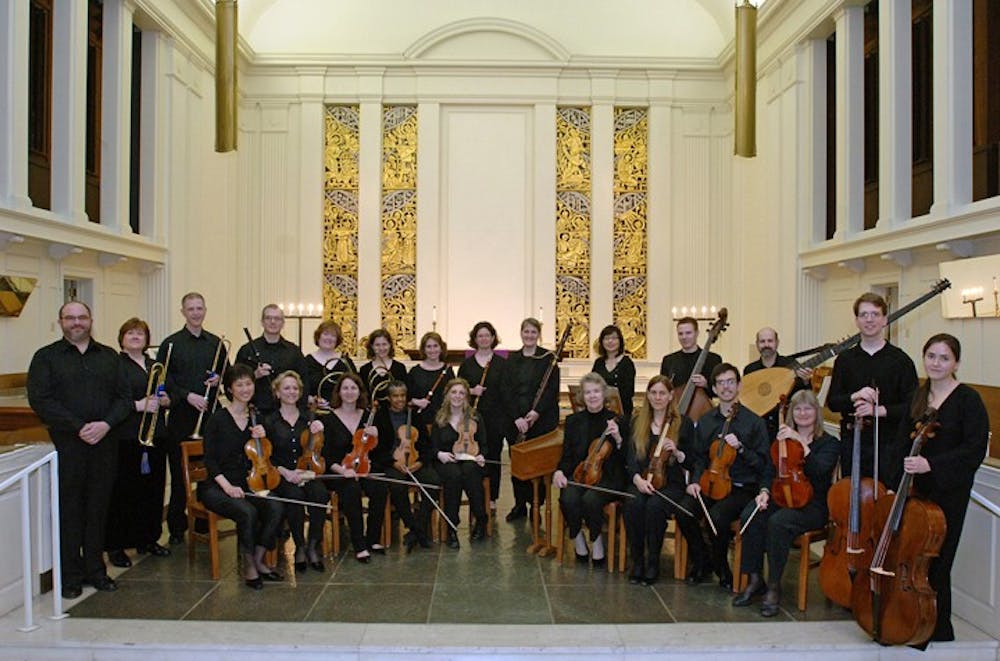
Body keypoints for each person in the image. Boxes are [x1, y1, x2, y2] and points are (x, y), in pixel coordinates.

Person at [27, 301, 131, 598]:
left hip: (104, 443)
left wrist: (105, 425)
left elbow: (124, 398)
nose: (76, 322)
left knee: (99, 509)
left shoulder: (110, 357)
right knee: (69, 510)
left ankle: (95, 571)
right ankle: (70, 577)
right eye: (70, 318)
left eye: (81, 317)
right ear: (60, 322)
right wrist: (79, 427)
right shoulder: (46, 358)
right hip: (67, 445)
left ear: (91, 321)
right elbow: (41, 399)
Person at [894, 334, 989, 642]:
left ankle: (936, 628)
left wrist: (931, 465)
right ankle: (910, 620)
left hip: (948, 493)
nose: (936, 363)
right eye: (931, 356)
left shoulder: (968, 400)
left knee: (937, 560)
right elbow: (900, 442)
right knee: (911, 556)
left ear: (956, 363)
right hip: (913, 491)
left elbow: (973, 450)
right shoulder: (918, 396)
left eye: (944, 358)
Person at [731, 389, 838, 615]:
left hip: (812, 505)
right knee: (751, 513)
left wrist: (800, 441)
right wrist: (764, 492)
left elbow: (819, 471)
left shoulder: (829, 443)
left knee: (778, 522)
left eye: (808, 408)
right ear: (791, 413)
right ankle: (754, 578)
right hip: (782, 496)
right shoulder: (781, 440)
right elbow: (770, 471)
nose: (802, 413)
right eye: (797, 408)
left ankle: (774, 586)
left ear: (816, 412)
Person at [198, 364, 284, 589]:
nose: (245, 389)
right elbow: (210, 461)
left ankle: (259, 557)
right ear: (229, 389)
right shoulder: (217, 419)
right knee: (247, 511)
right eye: (239, 385)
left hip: (248, 483)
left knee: (275, 506)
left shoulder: (257, 418)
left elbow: (264, 456)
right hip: (217, 486)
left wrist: (265, 437)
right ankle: (249, 567)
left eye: (249, 384)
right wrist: (227, 487)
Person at [687, 363, 772, 589]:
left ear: (739, 385)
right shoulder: (706, 421)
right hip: (710, 481)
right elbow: (699, 458)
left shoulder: (754, 422)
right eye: (721, 383)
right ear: (714, 388)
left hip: (741, 487)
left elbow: (763, 464)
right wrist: (695, 481)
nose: (726, 387)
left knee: (717, 517)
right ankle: (703, 560)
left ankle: (721, 567)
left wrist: (742, 448)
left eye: (730, 382)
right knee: (684, 509)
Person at [157, 292, 229, 545]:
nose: (196, 313)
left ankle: (202, 523)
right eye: (191, 309)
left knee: (208, 471)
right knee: (179, 475)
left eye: (200, 308)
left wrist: (219, 380)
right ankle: (177, 528)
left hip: (209, 417)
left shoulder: (216, 344)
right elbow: (163, 381)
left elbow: (227, 375)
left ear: (205, 310)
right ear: (183, 312)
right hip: (181, 415)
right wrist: (187, 396)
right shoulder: (171, 344)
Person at [827, 293, 918, 486]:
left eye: (875, 314)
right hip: (854, 442)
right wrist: (854, 396)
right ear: (857, 321)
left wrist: (880, 411)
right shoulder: (844, 360)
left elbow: (913, 406)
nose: (869, 320)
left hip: (888, 445)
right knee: (852, 497)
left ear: (885, 319)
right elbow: (833, 403)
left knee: (884, 500)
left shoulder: (901, 360)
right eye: (864, 315)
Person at [623, 375, 705, 585]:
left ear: (670, 396)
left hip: (671, 484)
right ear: (648, 396)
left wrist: (677, 453)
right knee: (633, 503)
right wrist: (637, 480)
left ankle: (653, 563)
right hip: (641, 480)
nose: (658, 397)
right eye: (653, 393)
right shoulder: (637, 422)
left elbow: (693, 460)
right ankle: (638, 561)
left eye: (662, 393)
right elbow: (631, 459)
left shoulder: (683, 423)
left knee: (655, 506)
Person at [106, 318, 172, 569]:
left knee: (152, 490)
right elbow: (109, 400)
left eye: (140, 333)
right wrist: (137, 405)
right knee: (124, 492)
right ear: (122, 337)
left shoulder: (155, 365)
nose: (135, 337)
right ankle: (117, 545)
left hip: (156, 436)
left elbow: (170, 393)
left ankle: (148, 538)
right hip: (127, 436)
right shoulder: (114, 365)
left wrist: (166, 400)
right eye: (130, 333)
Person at [552, 373, 627, 566]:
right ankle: (578, 538)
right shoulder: (573, 421)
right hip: (581, 473)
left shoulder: (617, 421)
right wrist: (559, 471)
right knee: (567, 497)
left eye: (596, 391)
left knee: (590, 499)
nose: (592, 396)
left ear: (603, 393)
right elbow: (567, 454)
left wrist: (618, 439)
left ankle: (597, 540)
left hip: (609, 476)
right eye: (587, 392)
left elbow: (626, 458)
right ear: (581, 396)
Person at [263, 371, 329, 573]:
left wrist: (319, 430)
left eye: (295, 388)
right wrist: (286, 472)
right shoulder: (270, 421)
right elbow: (268, 456)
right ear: (277, 392)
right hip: (281, 474)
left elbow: (317, 448)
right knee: (295, 496)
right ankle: (299, 546)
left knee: (320, 494)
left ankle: (312, 546)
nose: (291, 392)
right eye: (286, 388)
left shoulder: (308, 419)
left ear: (300, 392)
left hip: (306, 471)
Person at [320, 372, 387, 562]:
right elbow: (326, 454)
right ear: (339, 392)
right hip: (339, 471)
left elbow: (379, 450)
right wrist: (343, 471)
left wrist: (377, 435)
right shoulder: (329, 419)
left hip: (365, 467)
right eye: (345, 388)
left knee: (379, 487)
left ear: (360, 392)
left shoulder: (368, 416)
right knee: (351, 489)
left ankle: (372, 538)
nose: (349, 392)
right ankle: (359, 544)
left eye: (353, 388)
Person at [504, 317, 560, 522]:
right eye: (526, 332)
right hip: (516, 421)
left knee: (538, 464)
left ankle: (537, 504)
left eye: (533, 332)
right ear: (521, 333)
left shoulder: (548, 359)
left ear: (538, 335)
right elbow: (506, 390)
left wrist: (536, 413)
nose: (529, 336)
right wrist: (516, 417)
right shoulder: (511, 359)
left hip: (540, 420)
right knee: (518, 464)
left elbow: (551, 389)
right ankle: (520, 504)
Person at [375, 380, 440, 552]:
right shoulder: (380, 417)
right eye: (395, 396)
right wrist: (393, 463)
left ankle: (418, 526)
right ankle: (416, 529)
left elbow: (427, 445)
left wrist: (419, 463)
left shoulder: (415, 415)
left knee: (433, 482)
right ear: (389, 398)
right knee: (398, 485)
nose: (399, 399)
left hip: (415, 461)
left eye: (402, 395)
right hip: (392, 463)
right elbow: (377, 449)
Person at [432, 378, 488, 549]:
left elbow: (484, 444)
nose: (457, 396)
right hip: (447, 461)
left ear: (466, 397)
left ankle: (480, 518)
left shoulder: (475, 417)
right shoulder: (440, 418)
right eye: (454, 392)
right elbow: (432, 446)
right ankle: (451, 525)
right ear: (447, 394)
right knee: (454, 475)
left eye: (461, 393)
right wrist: (439, 454)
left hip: (470, 459)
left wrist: (482, 456)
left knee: (470, 470)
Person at [457, 321, 507, 505]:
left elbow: (507, 392)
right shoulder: (467, 365)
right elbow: (457, 389)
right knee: (473, 455)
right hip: (473, 418)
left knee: (493, 456)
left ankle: (492, 498)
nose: (484, 339)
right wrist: (471, 391)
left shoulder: (502, 364)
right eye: (480, 336)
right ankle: (476, 495)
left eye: (487, 335)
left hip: (496, 418)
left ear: (493, 338)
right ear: (475, 339)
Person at [236, 304, 307, 416]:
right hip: (255, 412)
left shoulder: (294, 351)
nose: (272, 322)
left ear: (283, 323)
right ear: (262, 322)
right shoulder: (247, 350)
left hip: (286, 414)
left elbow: (304, 383)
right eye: (268, 318)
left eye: (277, 319)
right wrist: (254, 375)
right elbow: (234, 382)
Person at [743, 327, 812, 438]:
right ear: (757, 344)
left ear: (777, 343)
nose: (766, 345)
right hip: (759, 427)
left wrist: (805, 381)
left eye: (770, 341)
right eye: (762, 341)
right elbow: (747, 399)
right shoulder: (750, 370)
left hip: (786, 425)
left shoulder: (791, 365)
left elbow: (804, 397)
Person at [659, 316, 722, 418]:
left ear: (697, 333)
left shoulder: (713, 359)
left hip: (703, 415)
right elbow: (662, 390)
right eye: (680, 334)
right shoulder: (669, 360)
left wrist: (706, 384)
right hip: (676, 413)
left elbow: (720, 390)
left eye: (688, 333)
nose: (684, 337)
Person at [302, 319, 357, 409]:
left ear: (337, 340)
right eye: (325, 334)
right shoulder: (306, 362)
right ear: (318, 336)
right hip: (315, 414)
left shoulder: (346, 362)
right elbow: (300, 390)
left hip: (343, 414)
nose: (329, 338)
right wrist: (312, 400)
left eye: (333, 335)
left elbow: (357, 388)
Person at [407, 331, 455, 431]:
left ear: (441, 348)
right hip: (420, 422)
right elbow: (407, 397)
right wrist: (416, 401)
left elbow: (453, 395)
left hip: (443, 421)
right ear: (423, 349)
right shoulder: (415, 372)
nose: (432, 350)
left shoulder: (448, 370)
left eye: (435, 346)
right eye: (428, 347)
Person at [591, 324, 636, 420]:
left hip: (621, 413)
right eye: (606, 338)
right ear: (602, 342)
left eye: (614, 338)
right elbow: (592, 384)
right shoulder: (598, 362)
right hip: (599, 412)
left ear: (620, 341)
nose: (610, 341)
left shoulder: (627, 363)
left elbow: (629, 392)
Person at [358, 328, 407, 404]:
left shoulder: (399, 368)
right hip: (372, 412)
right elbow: (362, 395)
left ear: (390, 345)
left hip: (395, 413)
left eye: (384, 344)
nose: (381, 348)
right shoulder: (364, 370)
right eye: (377, 345)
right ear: (371, 346)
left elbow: (405, 394)